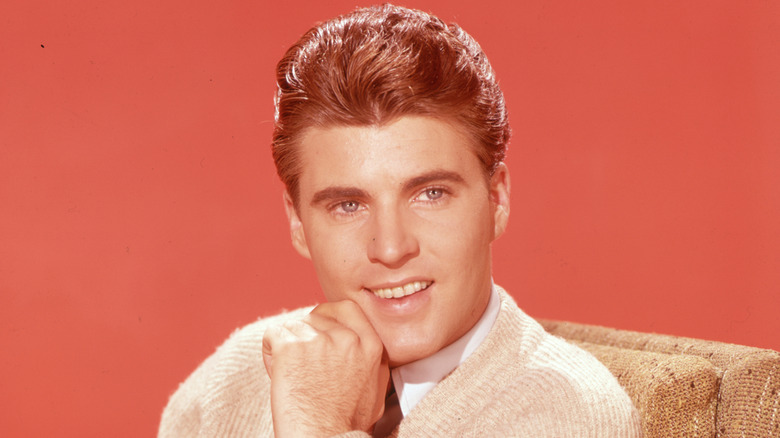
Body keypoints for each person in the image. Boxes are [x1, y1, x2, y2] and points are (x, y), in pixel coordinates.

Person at [159, 4, 642, 437]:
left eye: (430, 194)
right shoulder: (238, 375)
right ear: (297, 223)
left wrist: (318, 425)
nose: (390, 249)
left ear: (496, 200)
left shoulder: (568, 414)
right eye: (348, 205)